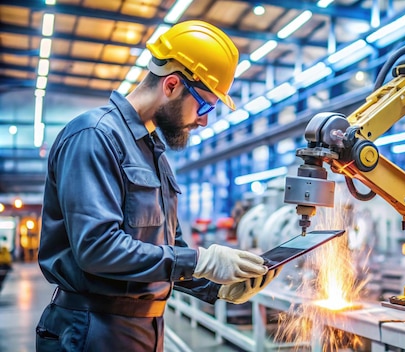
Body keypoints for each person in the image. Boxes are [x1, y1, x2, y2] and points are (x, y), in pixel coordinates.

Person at [36, 20, 280, 351]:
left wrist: (214, 286)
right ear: (172, 85)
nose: (204, 119)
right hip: (92, 330)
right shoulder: (95, 137)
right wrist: (201, 261)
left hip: (144, 329)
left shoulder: (156, 157)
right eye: (204, 105)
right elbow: (96, 248)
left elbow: (166, 248)